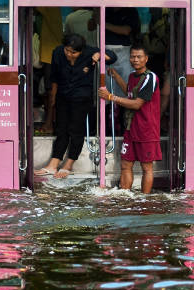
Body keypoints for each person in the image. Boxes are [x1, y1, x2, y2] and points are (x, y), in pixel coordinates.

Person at [34, 34, 115, 179]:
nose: (69, 54)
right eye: (67, 50)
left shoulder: (89, 52)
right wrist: (52, 99)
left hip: (82, 97)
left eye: (73, 52)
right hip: (63, 96)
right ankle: (54, 164)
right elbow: (54, 77)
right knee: (61, 128)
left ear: (81, 51)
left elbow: (112, 56)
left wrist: (99, 54)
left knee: (76, 130)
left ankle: (69, 164)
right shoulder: (58, 52)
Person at [97, 44, 161, 194]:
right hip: (131, 128)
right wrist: (117, 76)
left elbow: (137, 104)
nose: (135, 60)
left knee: (147, 168)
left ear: (146, 59)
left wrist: (111, 97)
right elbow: (129, 91)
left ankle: (144, 199)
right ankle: (126, 197)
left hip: (146, 130)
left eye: (139, 57)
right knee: (125, 165)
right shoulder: (133, 75)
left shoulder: (151, 77)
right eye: (132, 56)